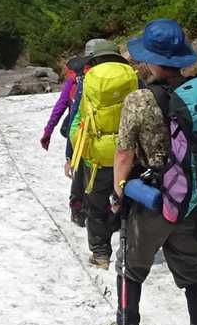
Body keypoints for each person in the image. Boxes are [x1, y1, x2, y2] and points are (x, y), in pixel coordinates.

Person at [108, 18, 197, 325]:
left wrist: (119, 190)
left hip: (153, 198)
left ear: (151, 60)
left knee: (131, 264)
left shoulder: (139, 100)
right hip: (192, 198)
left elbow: (124, 153)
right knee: (193, 272)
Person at [66, 38, 135, 268]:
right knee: (129, 202)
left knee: (95, 206)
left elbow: (78, 116)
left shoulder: (89, 79)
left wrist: (76, 148)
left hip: (96, 155)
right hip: (128, 152)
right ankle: (131, 250)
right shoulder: (132, 77)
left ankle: (101, 254)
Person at [41, 54, 87, 223]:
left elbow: (60, 108)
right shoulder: (97, 80)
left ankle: (78, 210)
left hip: (79, 135)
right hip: (103, 136)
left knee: (79, 171)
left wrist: (48, 132)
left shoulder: (74, 84)